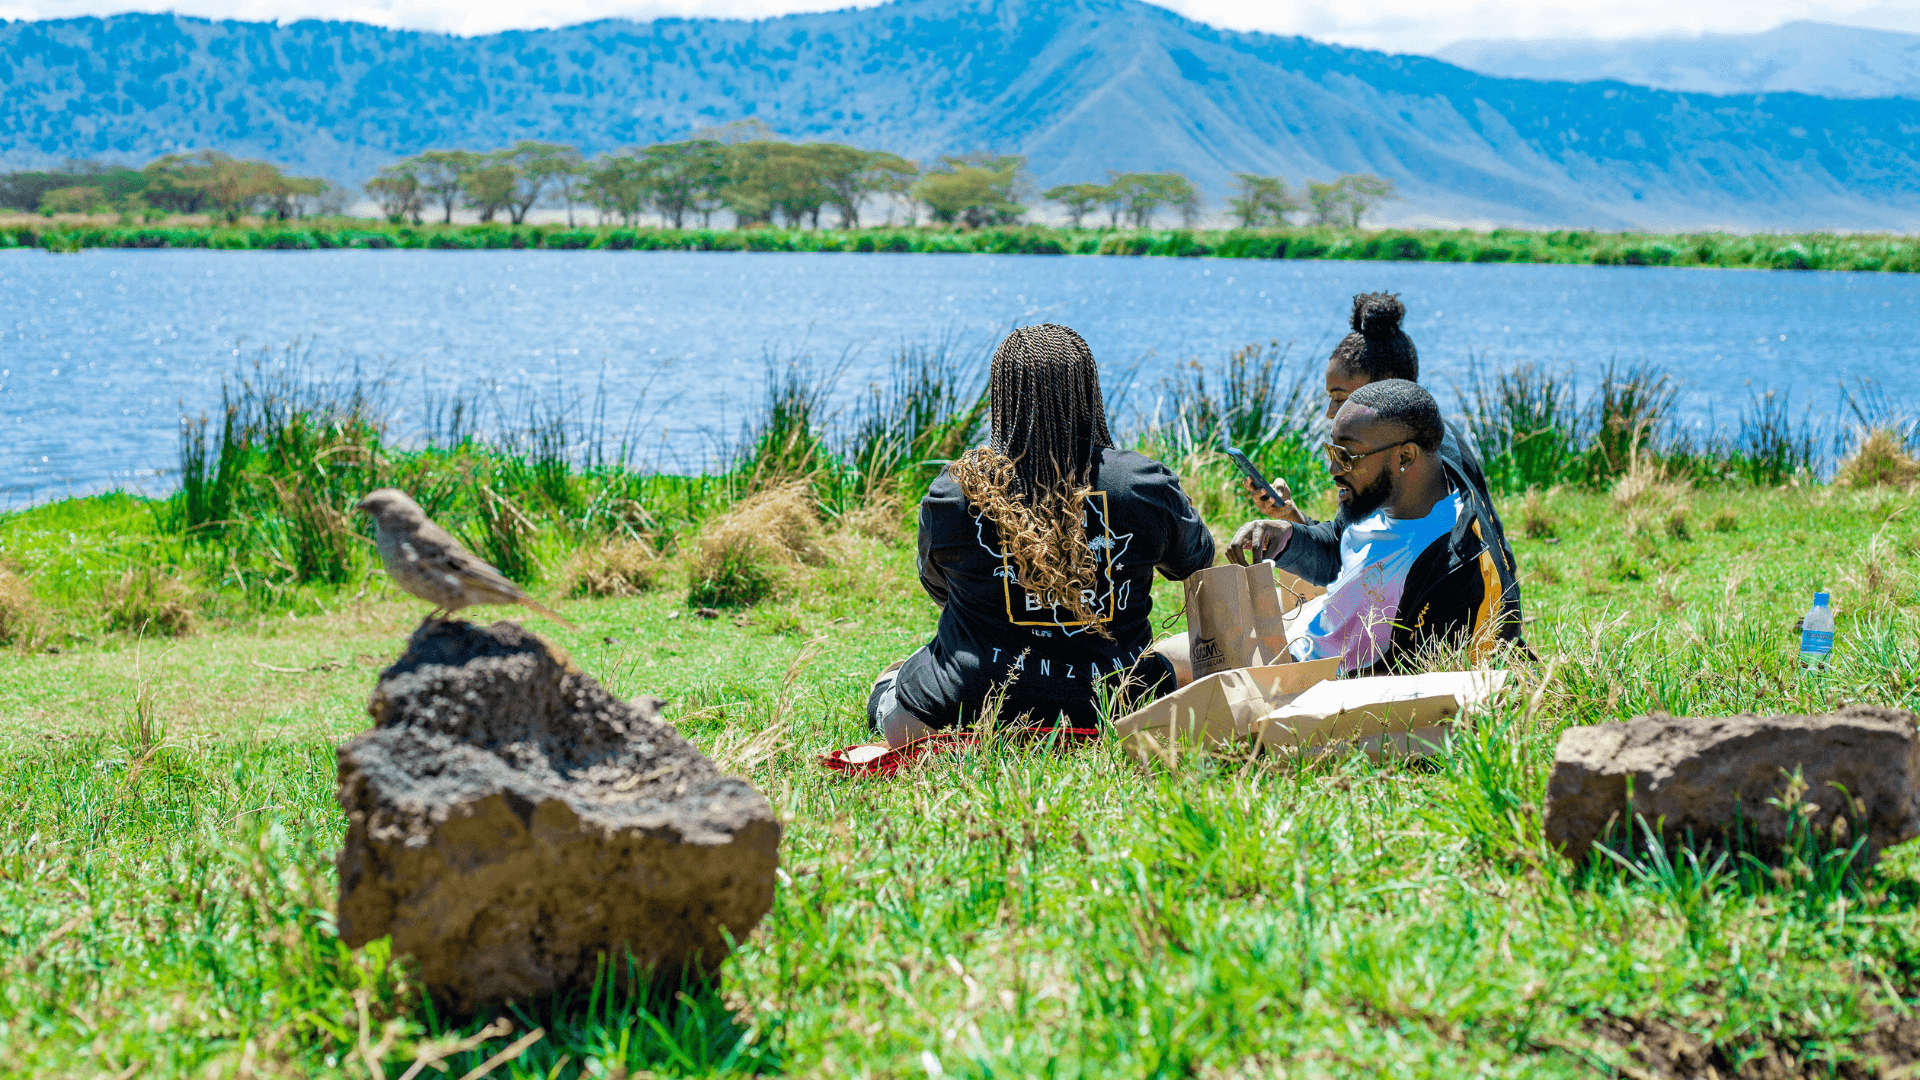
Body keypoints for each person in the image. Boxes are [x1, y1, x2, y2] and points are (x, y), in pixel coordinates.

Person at [867, 324, 1215, 747]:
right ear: (1088, 390)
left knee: (894, 675)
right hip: (1114, 707)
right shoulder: (1143, 485)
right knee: (1181, 651)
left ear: (1002, 395)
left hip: (957, 713)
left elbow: (940, 588)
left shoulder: (955, 491)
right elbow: (1195, 563)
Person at [1227, 380, 1522, 673]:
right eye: (1332, 451)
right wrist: (1288, 537)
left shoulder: (1456, 571)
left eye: (1346, 456)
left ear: (1405, 457)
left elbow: (1400, 687)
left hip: (1315, 681)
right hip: (1302, 638)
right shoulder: (1380, 493)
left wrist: (1288, 672)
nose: (1332, 470)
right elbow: (1340, 545)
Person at [1245, 292, 1518, 595]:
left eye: (1341, 398)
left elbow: (1349, 566)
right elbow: (1346, 544)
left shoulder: (1417, 470)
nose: (1331, 413)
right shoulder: (1427, 441)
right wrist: (1289, 522)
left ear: (1387, 390)